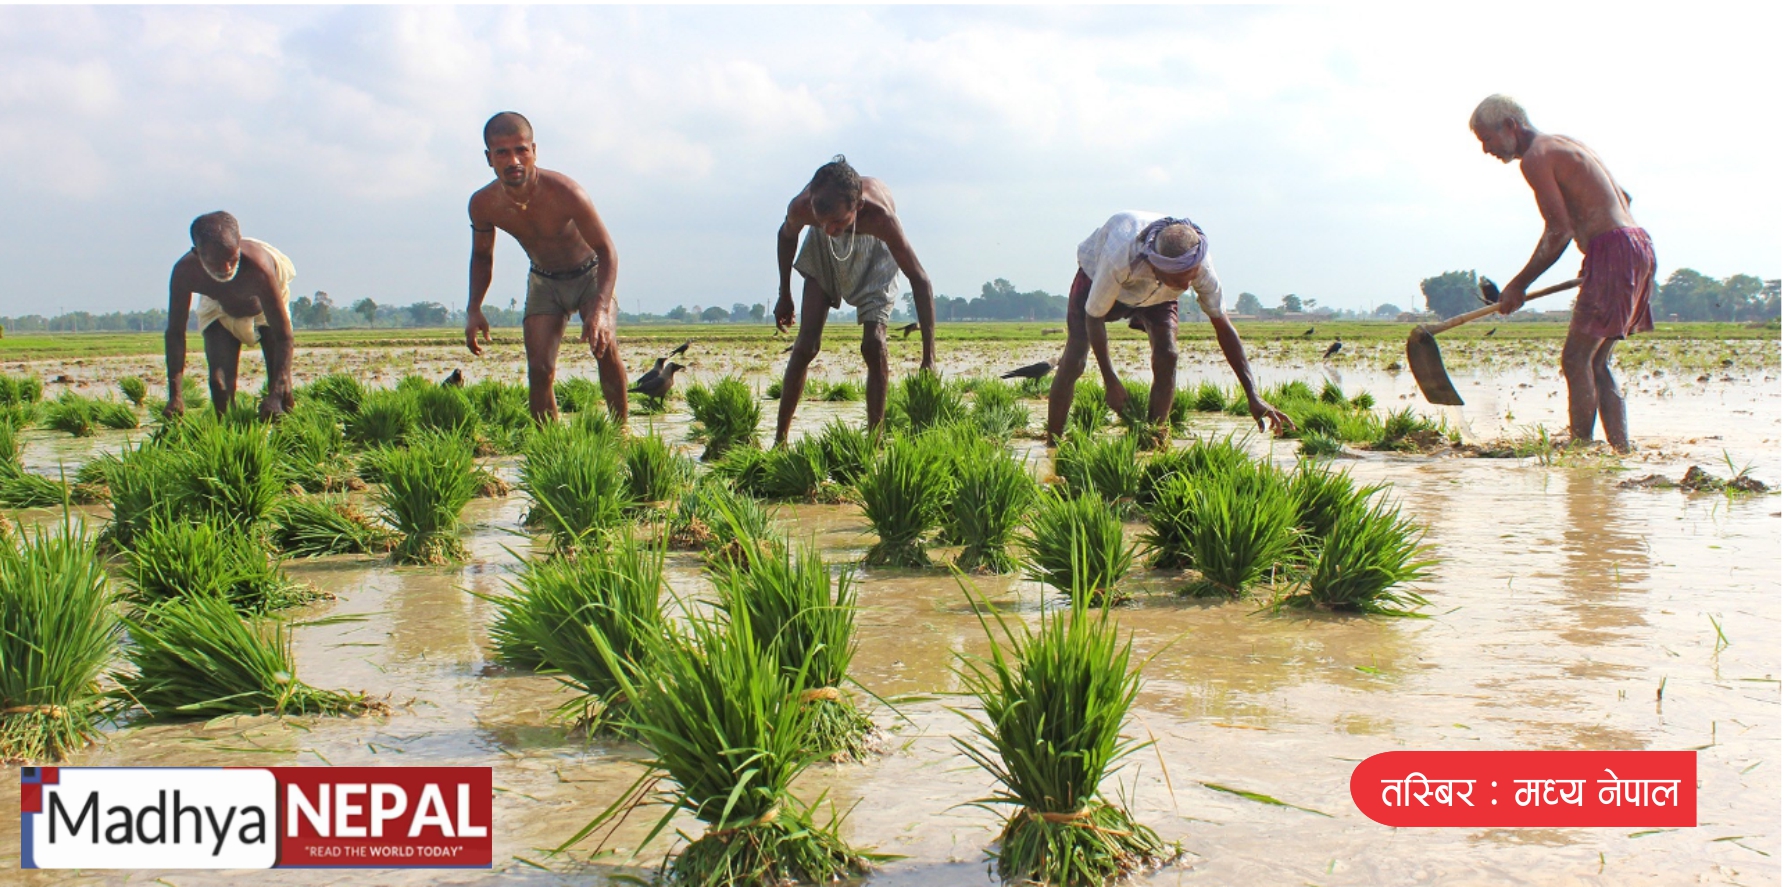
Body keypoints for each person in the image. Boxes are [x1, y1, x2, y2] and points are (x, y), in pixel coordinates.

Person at [1472, 94, 1653, 452]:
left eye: (1487, 139)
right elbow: (1624, 199)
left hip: (1616, 250)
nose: (1486, 149)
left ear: (1510, 126)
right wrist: (1598, 257)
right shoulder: (1566, 145)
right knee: (1597, 362)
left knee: (1575, 358)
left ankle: (1579, 451)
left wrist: (1518, 285)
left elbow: (1559, 229)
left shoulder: (1537, 158)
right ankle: (1621, 451)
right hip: (1636, 245)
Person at [1044, 211, 1290, 443]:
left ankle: (1153, 438)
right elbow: (1094, 318)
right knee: (1075, 359)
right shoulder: (1119, 256)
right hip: (1096, 278)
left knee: (1168, 354)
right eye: (1177, 280)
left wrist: (1252, 395)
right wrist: (1111, 381)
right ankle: (1053, 442)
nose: (1185, 286)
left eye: (1189, 278)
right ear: (1155, 266)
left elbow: (1223, 327)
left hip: (1159, 295)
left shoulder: (1199, 267)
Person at [465, 111, 625, 422]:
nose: (514, 160)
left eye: (521, 150)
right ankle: (548, 452)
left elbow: (607, 250)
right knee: (539, 369)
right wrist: (474, 308)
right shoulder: (483, 204)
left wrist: (601, 310)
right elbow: (482, 256)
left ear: (533, 151)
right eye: (502, 152)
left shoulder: (566, 192)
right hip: (544, 280)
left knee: (604, 349)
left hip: (589, 274)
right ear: (489, 158)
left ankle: (621, 434)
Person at [773, 155, 935, 442]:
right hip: (823, 253)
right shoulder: (805, 210)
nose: (830, 229)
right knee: (805, 345)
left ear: (857, 206)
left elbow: (919, 278)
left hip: (875, 255)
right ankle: (780, 441)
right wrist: (784, 294)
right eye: (822, 221)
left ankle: (874, 442)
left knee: (874, 344)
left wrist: (928, 357)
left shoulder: (880, 218)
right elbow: (786, 237)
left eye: (837, 222)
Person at [164, 211, 297, 420]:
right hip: (219, 307)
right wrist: (175, 395)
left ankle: (286, 436)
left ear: (239, 245)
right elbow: (175, 334)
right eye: (215, 262)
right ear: (197, 254)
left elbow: (284, 336)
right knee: (219, 386)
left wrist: (277, 391)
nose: (226, 268)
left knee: (280, 388)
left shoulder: (259, 268)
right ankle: (228, 437)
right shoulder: (185, 272)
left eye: (231, 258)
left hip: (264, 308)